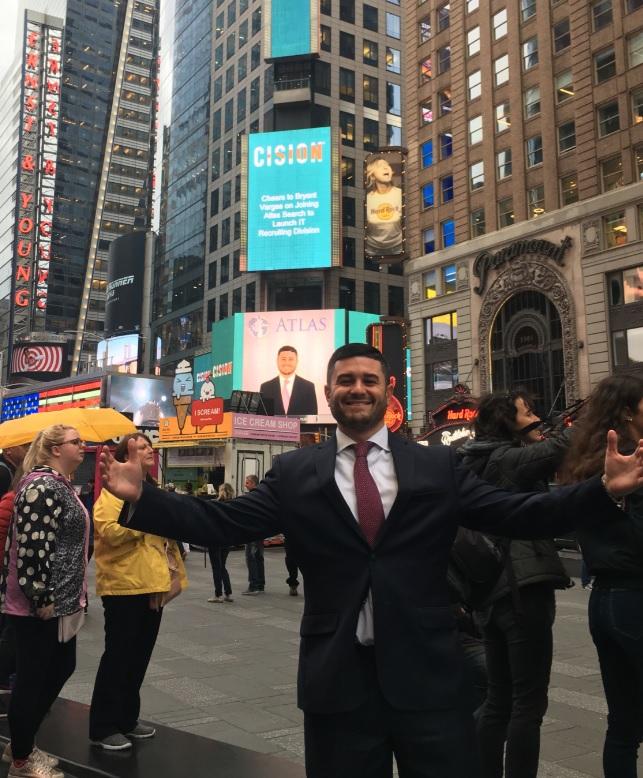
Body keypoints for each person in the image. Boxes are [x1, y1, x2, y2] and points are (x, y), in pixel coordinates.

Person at [100, 343, 643, 778]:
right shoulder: (296, 474)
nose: (356, 388)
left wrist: (601, 491)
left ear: (387, 390)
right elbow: (225, 523)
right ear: (330, 393)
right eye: (345, 380)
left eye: (368, 380)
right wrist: (144, 498)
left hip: (429, 676)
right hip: (339, 681)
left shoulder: (436, 467)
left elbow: (517, 513)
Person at [458, 392, 572, 778]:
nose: (537, 417)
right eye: (528, 413)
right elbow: (561, 446)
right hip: (521, 588)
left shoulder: (479, 457)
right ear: (508, 421)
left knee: (500, 699)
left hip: (492, 591)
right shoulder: (505, 459)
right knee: (527, 704)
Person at [559, 374, 643, 778]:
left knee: (624, 724)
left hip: (605, 600)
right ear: (629, 412)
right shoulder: (634, 460)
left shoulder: (592, 460)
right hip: (635, 596)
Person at [89, 433, 188, 752]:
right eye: (141, 447)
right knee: (118, 657)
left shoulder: (151, 490)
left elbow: (166, 541)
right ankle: (103, 726)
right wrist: (145, 523)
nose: (149, 450)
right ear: (126, 455)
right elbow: (108, 530)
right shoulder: (116, 489)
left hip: (153, 586)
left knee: (138, 658)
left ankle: (127, 719)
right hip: (124, 587)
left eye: (149, 446)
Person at [0, 425, 88, 778]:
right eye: (75, 442)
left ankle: (22, 743)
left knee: (59, 668)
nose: (83, 446)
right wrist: (41, 597)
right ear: (54, 449)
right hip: (42, 605)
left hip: (61, 601)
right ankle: (21, 758)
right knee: (34, 678)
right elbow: (34, 547)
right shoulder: (42, 486)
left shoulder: (57, 483)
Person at [260, 345, 318, 416]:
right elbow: (262, 419)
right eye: (283, 359)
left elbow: (313, 419)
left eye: (291, 359)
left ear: (297, 361)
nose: (287, 362)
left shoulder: (308, 387)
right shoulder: (266, 387)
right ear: (277, 361)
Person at [365, 156, 403, 258]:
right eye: (381, 166)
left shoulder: (400, 194)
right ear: (372, 176)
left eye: (388, 166)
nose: (386, 168)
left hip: (398, 249)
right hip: (372, 250)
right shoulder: (367, 199)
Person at [207, 483, 234, 604]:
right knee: (222, 566)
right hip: (227, 538)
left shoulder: (214, 504)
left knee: (216, 567)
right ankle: (228, 593)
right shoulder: (233, 504)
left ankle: (218, 594)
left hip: (214, 538)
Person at [242, 475, 265, 596]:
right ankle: (260, 584)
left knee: (251, 558)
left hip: (252, 530)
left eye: (247, 483)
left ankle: (254, 585)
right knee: (258, 558)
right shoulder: (262, 495)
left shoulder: (252, 496)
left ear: (252, 483)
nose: (245, 485)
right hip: (260, 530)